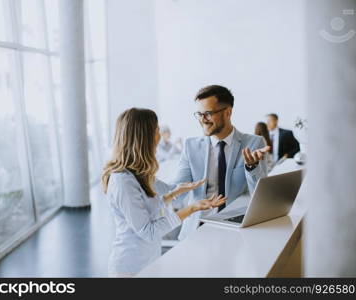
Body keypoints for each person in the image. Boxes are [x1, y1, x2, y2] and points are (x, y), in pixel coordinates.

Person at [101, 108, 226, 277]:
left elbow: (155, 201)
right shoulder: (122, 181)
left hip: (149, 262)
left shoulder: (139, 172)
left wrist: (177, 191)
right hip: (129, 269)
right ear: (143, 137)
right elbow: (149, 231)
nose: (160, 136)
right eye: (156, 130)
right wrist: (191, 209)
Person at [172, 85, 270, 240]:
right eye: (199, 114)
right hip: (196, 230)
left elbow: (261, 197)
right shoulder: (190, 146)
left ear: (228, 112)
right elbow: (177, 189)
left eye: (208, 114)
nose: (203, 120)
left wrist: (252, 167)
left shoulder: (253, 144)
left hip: (235, 229)